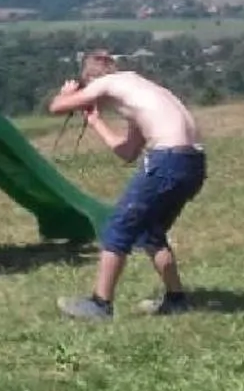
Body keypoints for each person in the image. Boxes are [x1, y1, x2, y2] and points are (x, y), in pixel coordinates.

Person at [46, 50, 207, 319]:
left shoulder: (106, 82)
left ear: (91, 80)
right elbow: (128, 152)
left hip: (167, 159)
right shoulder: (139, 86)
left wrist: (69, 92)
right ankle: (176, 300)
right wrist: (95, 122)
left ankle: (100, 305)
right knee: (150, 231)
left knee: (117, 226)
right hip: (193, 162)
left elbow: (56, 107)